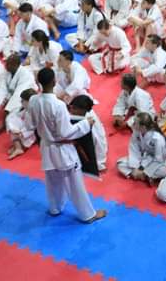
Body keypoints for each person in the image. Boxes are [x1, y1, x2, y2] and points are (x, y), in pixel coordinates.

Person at [26, 66, 107, 223]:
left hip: (46, 147)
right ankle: (88, 215)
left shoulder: (33, 100)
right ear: (54, 82)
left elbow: (30, 125)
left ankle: (55, 208)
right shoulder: (58, 105)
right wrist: (85, 125)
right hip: (62, 149)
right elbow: (65, 133)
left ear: (39, 82)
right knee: (75, 184)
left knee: (52, 180)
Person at [116, 112, 166, 183]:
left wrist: (145, 171)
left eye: (135, 122)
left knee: (163, 171)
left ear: (143, 127)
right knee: (120, 163)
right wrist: (135, 166)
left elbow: (159, 159)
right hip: (144, 158)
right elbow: (134, 148)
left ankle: (142, 175)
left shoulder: (157, 138)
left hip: (156, 162)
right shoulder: (137, 131)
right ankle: (145, 177)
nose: (133, 124)